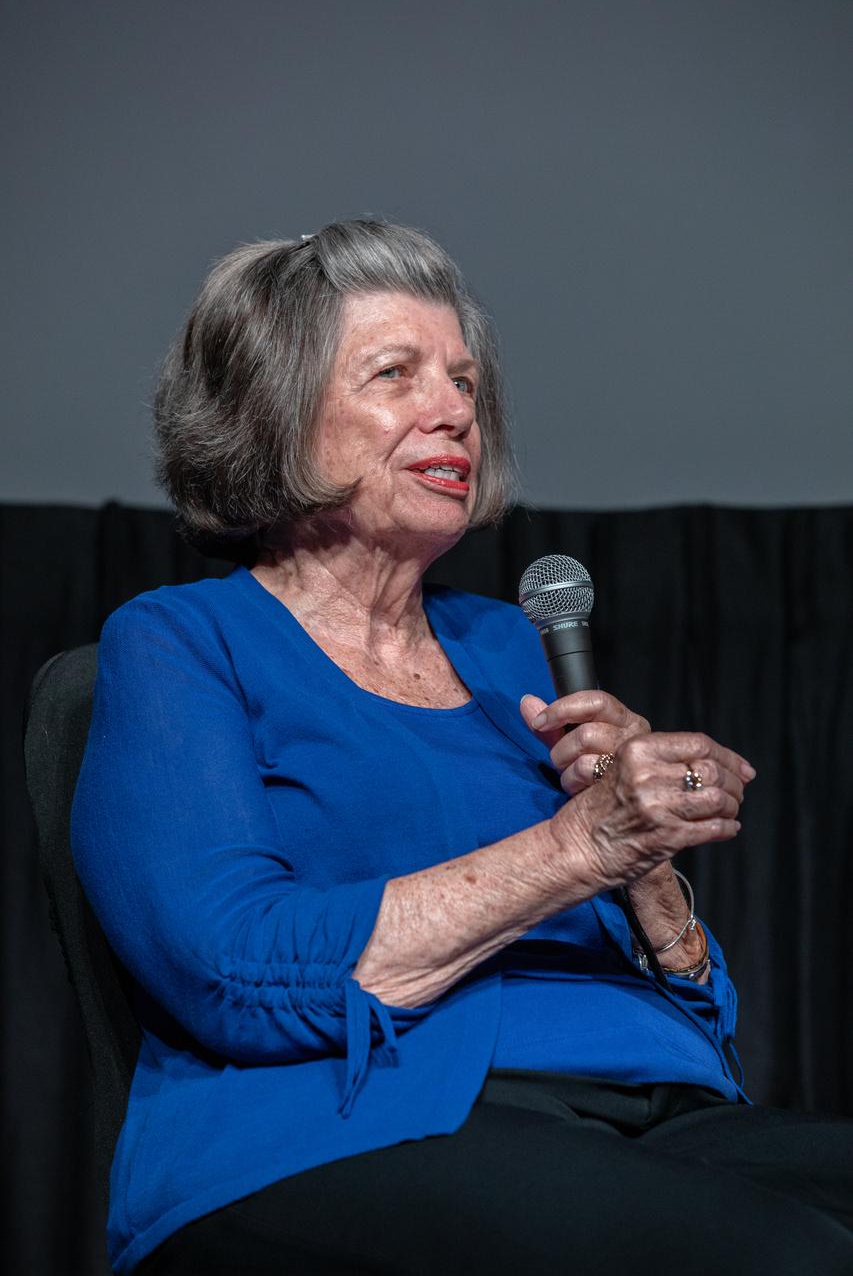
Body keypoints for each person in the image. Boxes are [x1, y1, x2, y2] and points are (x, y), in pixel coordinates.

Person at [71, 220, 853, 1275]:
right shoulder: (183, 641)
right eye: (396, 374)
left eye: (465, 382)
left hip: (648, 1108)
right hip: (342, 1122)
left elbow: (698, 1011)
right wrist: (579, 846)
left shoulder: (506, 645)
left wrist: (651, 869)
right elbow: (232, 968)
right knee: (776, 1255)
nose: (454, 411)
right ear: (273, 412)